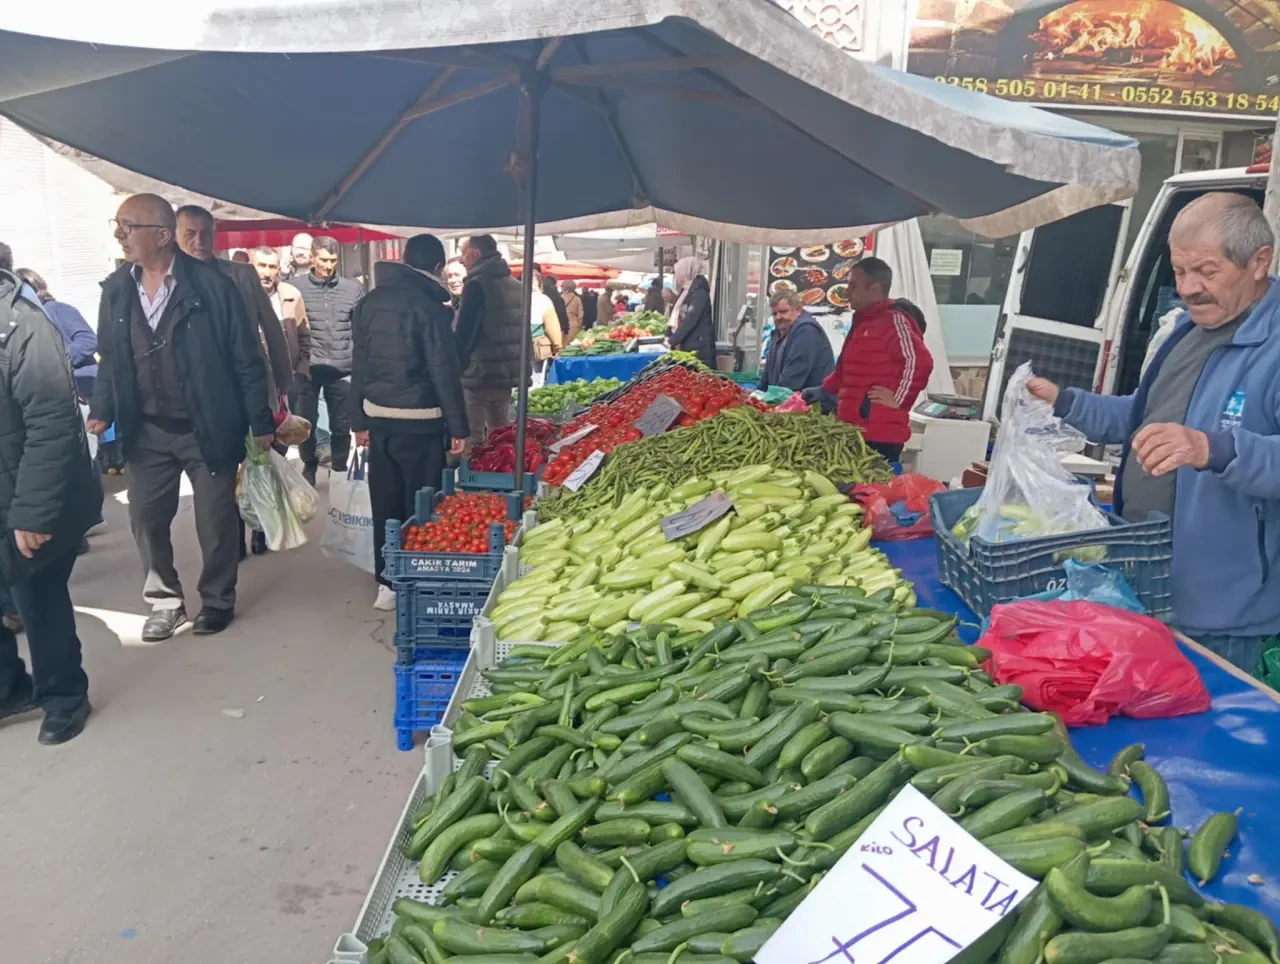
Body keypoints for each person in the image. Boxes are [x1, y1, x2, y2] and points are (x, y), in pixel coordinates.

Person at [1027, 192, 1280, 672]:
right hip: (1150, 576)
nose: (1188, 288)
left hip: (1230, 613)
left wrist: (1213, 448)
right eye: (1180, 272)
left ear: (1259, 262)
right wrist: (1064, 401)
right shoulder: (1187, 331)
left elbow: (1220, 448)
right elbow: (1141, 420)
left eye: (1206, 271)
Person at [87, 193, 275, 642]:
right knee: (147, 518)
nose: (120, 235)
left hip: (206, 425)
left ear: (162, 235)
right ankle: (166, 601)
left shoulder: (213, 288)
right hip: (146, 428)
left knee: (215, 520)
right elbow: (111, 358)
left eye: (127, 225)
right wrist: (102, 409)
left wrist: (261, 420)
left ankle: (216, 601)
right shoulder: (117, 289)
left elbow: (245, 357)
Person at [0, 256, 103, 744]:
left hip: (24, 495)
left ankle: (64, 697)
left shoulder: (24, 326)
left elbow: (52, 423)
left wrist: (33, 512)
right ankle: (8, 688)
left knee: (37, 598)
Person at [350, 235, 469, 610]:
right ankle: (418, 575)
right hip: (422, 421)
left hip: (380, 419)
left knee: (385, 500)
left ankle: (387, 582)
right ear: (436, 269)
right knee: (421, 503)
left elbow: (359, 367)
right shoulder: (432, 308)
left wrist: (358, 420)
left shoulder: (368, 303)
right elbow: (444, 372)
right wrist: (459, 427)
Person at [820, 257, 932, 463]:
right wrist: (824, 390)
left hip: (879, 433)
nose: (847, 292)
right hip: (853, 428)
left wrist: (899, 399)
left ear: (874, 289)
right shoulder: (862, 320)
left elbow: (920, 361)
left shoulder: (893, 320)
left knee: (875, 491)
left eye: (853, 286)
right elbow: (847, 368)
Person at [290, 235, 362, 484]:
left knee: (342, 426)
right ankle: (309, 465)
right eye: (323, 259)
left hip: (342, 368)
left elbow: (360, 328)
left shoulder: (352, 289)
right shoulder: (295, 287)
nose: (328, 265)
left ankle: (340, 470)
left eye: (332, 260)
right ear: (312, 257)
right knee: (305, 423)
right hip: (309, 368)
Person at [454, 235, 529, 448]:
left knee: (473, 437)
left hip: (479, 374)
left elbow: (465, 334)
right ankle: (501, 477)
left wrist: (457, 365)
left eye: (463, 254)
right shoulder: (517, 285)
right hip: (506, 374)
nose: (461, 260)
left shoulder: (477, 286)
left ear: (476, 253)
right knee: (501, 434)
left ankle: (474, 478)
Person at [14, 268, 98, 398]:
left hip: (83, 388)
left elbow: (88, 340)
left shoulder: (57, 309)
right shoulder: (19, 319)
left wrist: (58, 362)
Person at [249, 246, 311, 392]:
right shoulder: (237, 296)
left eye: (272, 267)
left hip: (287, 379)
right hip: (254, 380)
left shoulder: (292, 295)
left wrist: (301, 371)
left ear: (278, 269)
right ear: (251, 267)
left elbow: (304, 336)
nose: (266, 273)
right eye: (262, 266)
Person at [759, 290, 834, 392]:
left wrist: (771, 398)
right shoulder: (779, 332)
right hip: (787, 401)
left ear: (798, 310)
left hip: (813, 403)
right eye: (774, 313)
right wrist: (757, 394)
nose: (778, 317)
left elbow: (794, 374)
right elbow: (767, 374)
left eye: (783, 311)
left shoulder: (807, 331)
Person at [668, 257, 717, 370]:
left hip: (699, 348)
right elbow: (678, 315)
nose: (676, 276)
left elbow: (690, 319)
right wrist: (669, 335)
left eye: (677, 272)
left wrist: (672, 341)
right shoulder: (687, 291)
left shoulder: (699, 293)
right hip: (690, 345)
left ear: (686, 271)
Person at [530, 271, 563, 363]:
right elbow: (552, 328)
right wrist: (558, 346)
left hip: (517, 348)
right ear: (540, 284)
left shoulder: (514, 297)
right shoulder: (543, 300)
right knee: (538, 376)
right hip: (538, 348)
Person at [543, 274, 571, 345]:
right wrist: (565, 327)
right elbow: (561, 311)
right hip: (556, 324)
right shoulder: (556, 294)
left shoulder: (541, 292)